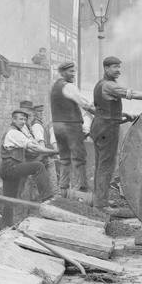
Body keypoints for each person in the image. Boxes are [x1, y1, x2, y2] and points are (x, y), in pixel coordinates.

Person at [92, 56, 142, 209]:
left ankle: (98, 199)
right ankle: (101, 204)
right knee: (106, 166)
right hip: (107, 129)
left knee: (99, 165)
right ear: (106, 68)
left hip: (98, 126)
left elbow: (103, 110)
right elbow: (132, 94)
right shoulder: (110, 86)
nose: (118, 70)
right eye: (115, 67)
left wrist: (124, 116)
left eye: (119, 67)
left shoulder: (100, 85)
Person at [0, 108, 57, 225]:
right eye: (20, 119)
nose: (23, 122)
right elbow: (34, 148)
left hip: (8, 168)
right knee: (39, 166)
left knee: (9, 200)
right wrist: (54, 152)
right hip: (11, 167)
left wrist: (49, 151)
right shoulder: (13, 133)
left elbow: (32, 145)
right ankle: (47, 197)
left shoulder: (19, 132)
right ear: (13, 119)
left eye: (25, 119)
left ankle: (5, 226)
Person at [50, 61, 96, 193]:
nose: (73, 74)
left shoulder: (55, 87)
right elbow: (85, 105)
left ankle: (63, 190)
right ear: (63, 72)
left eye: (74, 71)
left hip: (57, 126)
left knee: (64, 158)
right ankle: (80, 190)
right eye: (70, 71)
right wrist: (100, 114)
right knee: (79, 158)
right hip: (70, 126)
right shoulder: (69, 87)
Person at [30, 103, 59, 195]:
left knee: (46, 180)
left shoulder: (40, 124)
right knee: (51, 180)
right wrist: (47, 154)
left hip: (44, 157)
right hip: (43, 158)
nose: (41, 114)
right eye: (39, 112)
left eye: (42, 112)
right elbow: (41, 143)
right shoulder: (37, 126)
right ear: (34, 113)